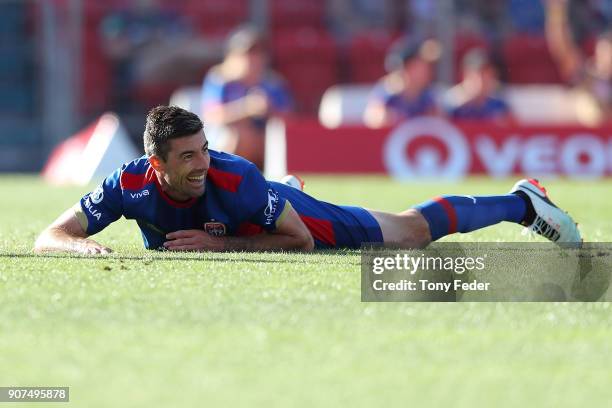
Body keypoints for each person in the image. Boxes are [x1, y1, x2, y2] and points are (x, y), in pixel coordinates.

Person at [34, 106, 581, 255]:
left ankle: (520, 203)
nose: (201, 163)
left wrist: (218, 250)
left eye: (204, 151)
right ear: (155, 166)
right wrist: (83, 250)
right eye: (187, 158)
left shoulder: (232, 175)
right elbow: (50, 236)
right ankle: (280, 192)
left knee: (411, 232)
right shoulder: (126, 184)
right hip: (254, 206)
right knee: (262, 204)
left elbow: (298, 241)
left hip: (276, 211)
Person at [200, 25, 293, 170]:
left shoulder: (273, 83)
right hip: (226, 141)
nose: (252, 59)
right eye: (247, 54)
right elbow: (211, 116)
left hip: (264, 140)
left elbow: (289, 119)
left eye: (257, 53)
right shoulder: (221, 79)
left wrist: (268, 110)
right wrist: (246, 108)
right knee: (238, 135)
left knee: (274, 138)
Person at [545, 0, 611, 125]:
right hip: (589, 133)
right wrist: (556, 13)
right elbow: (563, 51)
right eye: (606, 53)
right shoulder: (588, 75)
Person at [363, 38, 441, 128]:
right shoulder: (387, 93)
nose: (426, 72)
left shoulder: (429, 96)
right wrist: (387, 117)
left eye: (427, 67)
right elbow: (372, 119)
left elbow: (439, 122)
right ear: (405, 68)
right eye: (418, 67)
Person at [444, 48, 513, 123]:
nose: (486, 80)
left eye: (490, 75)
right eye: (481, 74)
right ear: (466, 74)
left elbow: (513, 126)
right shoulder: (450, 103)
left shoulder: (499, 105)